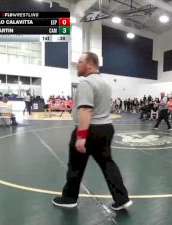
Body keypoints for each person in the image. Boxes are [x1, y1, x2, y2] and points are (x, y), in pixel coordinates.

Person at [53, 52, 132, 210]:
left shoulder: (86, 83)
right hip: (106, 128)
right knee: (107, 163)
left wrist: (81, 136)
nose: (77, 64)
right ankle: (122, 199)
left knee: (75, 165)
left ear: (90, 64)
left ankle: (69, 198)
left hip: (90, 130)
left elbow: (86, 110)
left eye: (80, 62)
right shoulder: (105, 83)